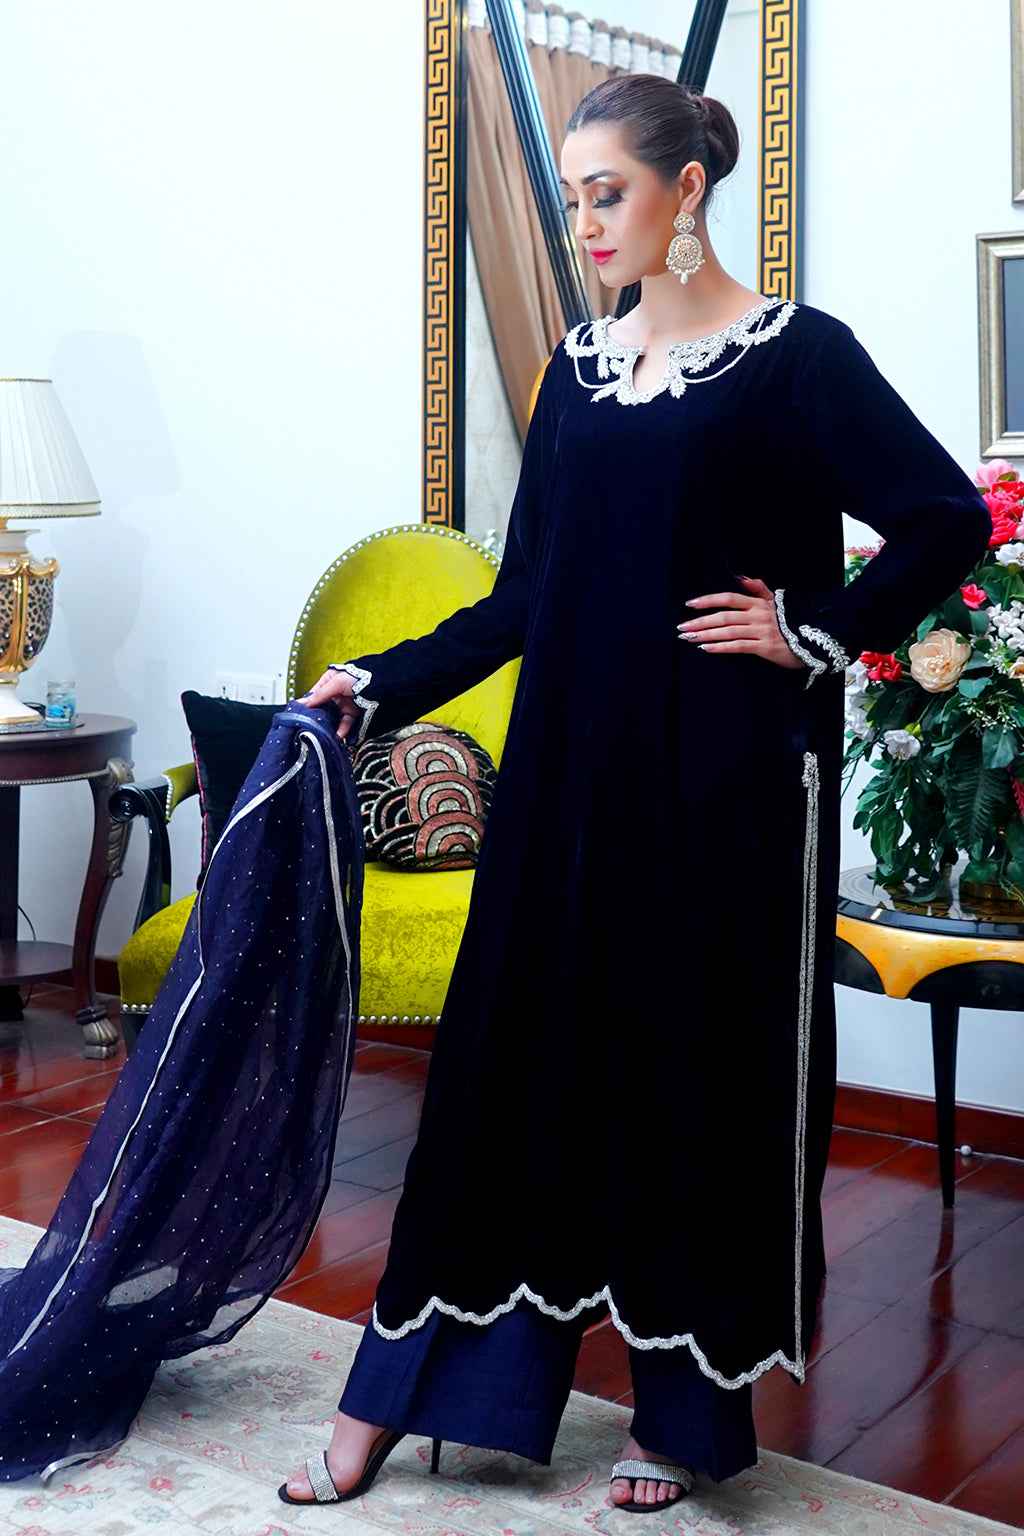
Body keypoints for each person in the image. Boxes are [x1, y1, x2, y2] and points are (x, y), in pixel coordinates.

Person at [283, 75, 992, 1512]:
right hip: (570, 779)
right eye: (576, 198)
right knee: (507, 1076)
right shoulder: (579, 370)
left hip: (729, 784)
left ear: (688, 191)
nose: (588, 223)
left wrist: (812, 628)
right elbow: (524, 597)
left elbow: (946, 517)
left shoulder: (796, 357)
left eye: (609, 193)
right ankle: (408, 1391)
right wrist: (382, 680)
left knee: (691, 1082)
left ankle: (681, 1416)